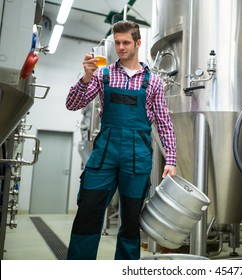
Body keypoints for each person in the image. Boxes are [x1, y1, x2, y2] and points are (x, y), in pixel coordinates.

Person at [65, 20, 177, 260]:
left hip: (137, 157)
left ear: (138, 43)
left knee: (130, 221)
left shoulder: (154, 82)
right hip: (104, 153)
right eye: (117, 43)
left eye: (126, 42)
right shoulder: (101, 75)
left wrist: (171, 159)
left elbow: (164, 123)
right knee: (88, 212)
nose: (121, 47)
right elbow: (72, 104)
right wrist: (85, 77)